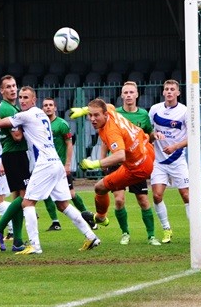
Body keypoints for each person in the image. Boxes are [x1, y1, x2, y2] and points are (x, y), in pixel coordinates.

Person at [0, 87, 101, 254]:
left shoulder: (25, 115)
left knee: (27, 202)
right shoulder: (42, 114)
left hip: (45, 164)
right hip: (55, 162)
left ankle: (34, 245)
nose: (22, 100)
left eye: (26, 97)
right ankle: (91, 236)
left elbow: (0, 123)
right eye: (20, 97)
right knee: (63, 204)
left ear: (34, 100)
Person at [73, 99, 155, 238]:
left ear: (105, 115)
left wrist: (95, 164)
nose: (92, 119)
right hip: (147, 149)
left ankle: (100, 218)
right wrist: (83, 109)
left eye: (96, 115)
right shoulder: (110, 110)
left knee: (100, 187)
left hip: (137, 168)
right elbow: (108, 105)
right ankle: (126, 233)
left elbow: (120, 156)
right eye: (90, 115)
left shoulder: (111, 132)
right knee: (118, 198)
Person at [102, 82, 160, 246]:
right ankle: (125, 233)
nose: (128, 95)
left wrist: (156, 136)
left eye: (131, 92)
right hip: (117, 161)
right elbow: (107, 139)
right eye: (125, 92)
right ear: (121, 96)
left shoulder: (143, 115)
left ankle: (151, 236)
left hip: (136, 162)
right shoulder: (113, 114)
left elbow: (148, 134)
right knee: (119, 200)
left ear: (137, 95)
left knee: (143, 199)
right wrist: (103, 160)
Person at [0, 75, 28, 252]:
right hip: (15, 155)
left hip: (11, 155)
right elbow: (17, 137)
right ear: (1, 90)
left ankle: (17, 241)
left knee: (18, 196)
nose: (12, 89)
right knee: (26, 197)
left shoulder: (10, 107)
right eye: (8, 87)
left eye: (14, 85)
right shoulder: (7, 109)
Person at [40, 97, 92, 231]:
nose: (48, 107)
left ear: (55, 108)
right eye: (45, 105)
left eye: (50, 105)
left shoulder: (62, 124)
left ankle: (87, 216)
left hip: (60, 166)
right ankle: (55, 222)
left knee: (71, 194)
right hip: (46, 166)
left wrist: (67, 164)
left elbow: (69, 144)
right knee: (45, 194)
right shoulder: (40, 125)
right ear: (42, 108)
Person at [149, 79, 190, 244]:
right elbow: (147, 131)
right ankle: (166, 229)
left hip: (177, 159)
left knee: (186, 195)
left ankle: (195, 230)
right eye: (167, 89)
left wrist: (175, 146)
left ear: (178, 93)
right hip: (158, 160)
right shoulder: (154, 110)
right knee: (157, 195)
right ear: (163, 92)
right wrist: (154, 135)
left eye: (172, 89)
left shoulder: (185, 111)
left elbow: (192, 137)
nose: (169, 92)